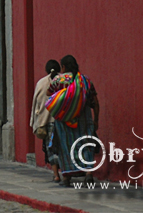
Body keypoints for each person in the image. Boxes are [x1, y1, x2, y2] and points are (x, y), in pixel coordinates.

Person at [46, 55, 100, 186]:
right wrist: (96, 119)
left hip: (64, 119)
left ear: (63, 67)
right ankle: (88, 174)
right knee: (85, 144)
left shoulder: (59, 79)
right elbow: (95, 101)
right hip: (83, 117)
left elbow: (49, 93)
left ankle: (66, 177)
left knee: (65, 146)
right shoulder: (85, 80)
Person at [31, 59, 61, 182]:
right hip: (63, 120)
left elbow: (35, 104)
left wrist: (34, 122)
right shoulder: (65, 81)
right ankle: (66, 172)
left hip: (46, 121)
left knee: (51, 148)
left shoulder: (41, 83)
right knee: (64, 147)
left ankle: (56, 174)